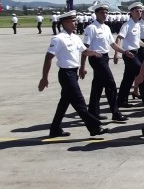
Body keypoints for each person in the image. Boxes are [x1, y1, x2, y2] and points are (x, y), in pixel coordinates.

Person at [38, 10, 109, 138]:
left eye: (75, 20)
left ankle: (55, 129)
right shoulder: (58, 39)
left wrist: (93, 53)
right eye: (73, 21)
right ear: (65, 22)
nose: (76, 23)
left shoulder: (75, 37)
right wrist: (44, 78)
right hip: (66, 75)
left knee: (64, 103)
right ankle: (95, 127)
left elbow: (84, 50)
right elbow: (48, 57)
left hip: (73, 73)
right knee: (80, 103)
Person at [80, 3, 128, 122]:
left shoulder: (106, 27)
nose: (105, 14)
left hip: (105, 58)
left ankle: (93, 112)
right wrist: (82, 66)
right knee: (110, 84)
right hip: (96, 58)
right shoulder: (91, 28)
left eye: (106, 12)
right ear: (96, 13)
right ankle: (115, 112)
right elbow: (84, 49)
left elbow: (112, 44)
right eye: (102, 12)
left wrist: (124, 52)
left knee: (98, 85)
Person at [114, 2, 144, 108]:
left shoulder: (137, 25)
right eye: (137, 11)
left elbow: (137, 40)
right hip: (129, 54)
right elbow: (119, 38)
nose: (139, 13)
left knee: (127, 79)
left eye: (141, 11)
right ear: (131, 12)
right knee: (142, 74)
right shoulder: (127, 25)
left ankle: (121, 101)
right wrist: (117, 53)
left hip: (136, 53)